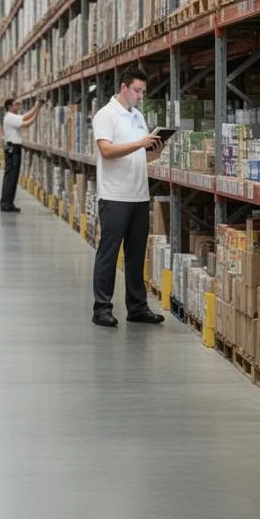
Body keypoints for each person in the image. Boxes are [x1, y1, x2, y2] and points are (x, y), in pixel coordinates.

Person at [90, 67, 165, 327]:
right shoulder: (106, 115)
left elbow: (143, 155)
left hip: (139, 195)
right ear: (123, 87)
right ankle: (101, 308)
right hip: (114, 196)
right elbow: (107, 150)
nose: (139, 96)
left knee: (136, 255)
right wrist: (139, 143)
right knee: (109, 253)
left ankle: (137, 307)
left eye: (143, 92)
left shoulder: (138, 117)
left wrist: (155, 148)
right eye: (136, 90)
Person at [0, 95, 42, 212]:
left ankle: (8, 202)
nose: (18, 106)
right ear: (9, 107)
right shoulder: (10, 117)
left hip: (13, 149)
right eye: (15, 104)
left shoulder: (11, 117)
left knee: (12, 177)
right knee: (11, 177)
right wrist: (36, 107)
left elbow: (25, 120)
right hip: (13, 149)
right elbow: (26, 120)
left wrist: (36, 110)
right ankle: (5, 203)